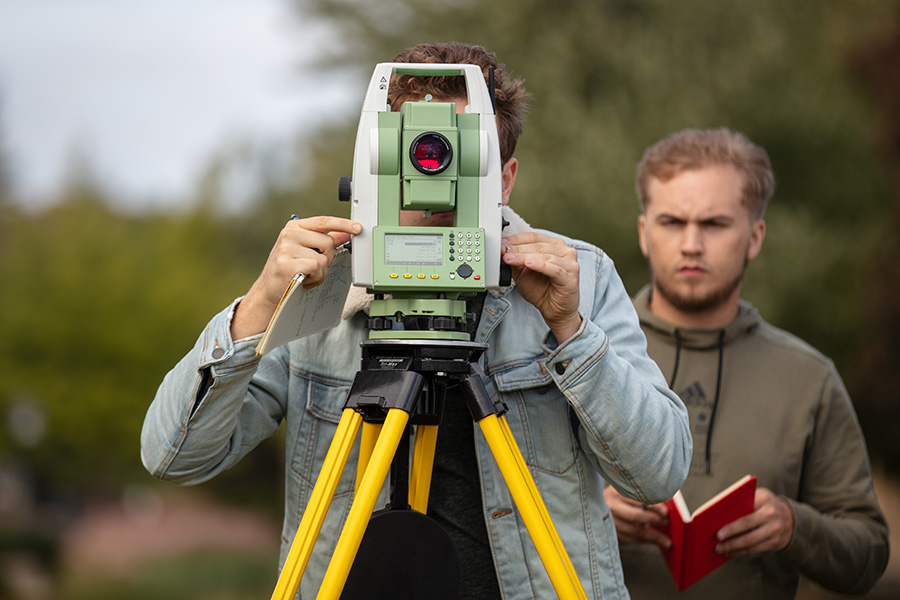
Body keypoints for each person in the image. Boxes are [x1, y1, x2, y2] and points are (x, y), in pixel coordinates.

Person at [141, 42, 692, 600]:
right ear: (372, 167)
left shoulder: (579, 278)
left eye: (459, 157)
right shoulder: (318, 292)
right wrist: (260, 303)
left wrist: (571, 331)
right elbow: (174, 456)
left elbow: (657, 475)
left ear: (504, 179)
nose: (434, 186)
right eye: (414, 157)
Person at [604, 127, 890, 599]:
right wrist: (590, 509)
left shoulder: (809, 379)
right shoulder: (581, 357)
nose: (691, 244)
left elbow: (868, 557)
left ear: (755, 236)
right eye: (673, 222)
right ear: (644, 233)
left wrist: (794, 526)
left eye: (714, 224)